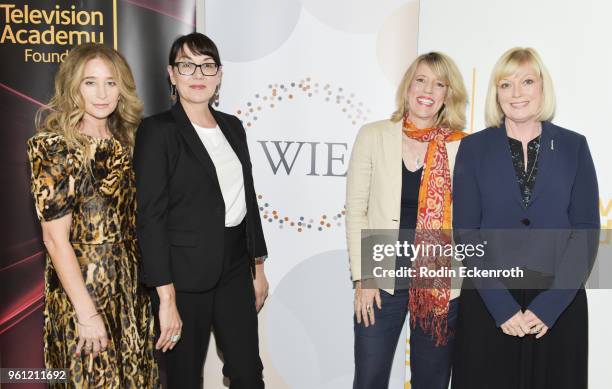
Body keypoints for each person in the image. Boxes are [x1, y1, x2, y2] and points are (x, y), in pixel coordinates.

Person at [451, 47, 599, 389]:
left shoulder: (574, 147)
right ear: (496, 93)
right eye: (506, 84)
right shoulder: (473, 149)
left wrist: (552, 304)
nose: (516, 93)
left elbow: (586, 230)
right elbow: (466, 232)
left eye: (527, 81)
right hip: (489, 301)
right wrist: (501, 305)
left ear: (542, 88)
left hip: (558, 304)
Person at [133, 32, 269, 389]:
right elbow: (150, 218)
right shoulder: (157, 131)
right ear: (171, 74)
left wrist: (258, 266)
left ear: (219, 75)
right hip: (182, 276)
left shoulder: (233, 127)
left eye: (207, 65)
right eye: (187, 65)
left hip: (236, 268)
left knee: (247, 373)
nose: (198, 74)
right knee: (183, 379)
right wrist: (166, 297)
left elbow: (247, 199)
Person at [26, 43, 159, 388]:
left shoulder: (129, 142)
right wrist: (86, 314)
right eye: (90, 82)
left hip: (131, 294)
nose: (102, 93)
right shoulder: (55, 146)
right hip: (82, 293)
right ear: (73, 86)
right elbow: (55, 240)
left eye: (111, 83)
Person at [346, 52, 468, 389]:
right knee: (369, 378)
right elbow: (356, 209)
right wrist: (363, 276)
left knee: (431, 380)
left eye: (439, 83)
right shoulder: (373, 135)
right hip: (381, 279)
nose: (428, 89)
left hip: (438, 281)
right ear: (407, 87)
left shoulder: (462, 147)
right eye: (421, 79)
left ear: (448, 94)